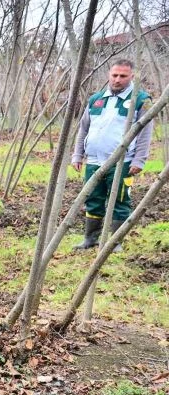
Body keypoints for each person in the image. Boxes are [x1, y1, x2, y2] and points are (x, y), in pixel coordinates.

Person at [71, 59, 154, 252]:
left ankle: (115, 242)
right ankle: (90, 239)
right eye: (114, 75)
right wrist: (77, 155)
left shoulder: (140, 100)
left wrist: (139, 159)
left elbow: (145, 132)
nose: (117, 79)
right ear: (109, 75)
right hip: (93, 161)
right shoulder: (96, 99)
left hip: (122, 162)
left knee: (120, 200)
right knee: (93, 198)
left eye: (123, 76)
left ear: (131, 77)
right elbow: (83, 129)